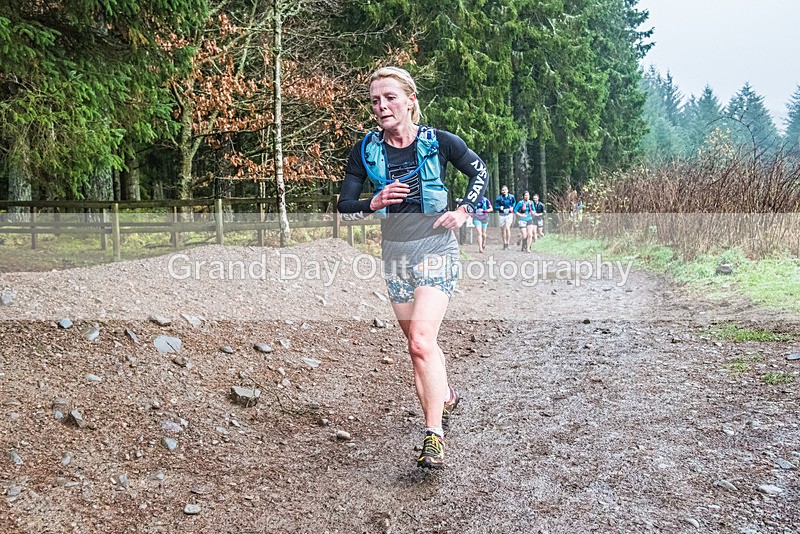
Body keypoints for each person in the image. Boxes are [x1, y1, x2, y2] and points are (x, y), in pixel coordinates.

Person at [337, 66, 489, 469]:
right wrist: (374, 201)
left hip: (437, 246)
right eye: (374, 100)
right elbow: (345, 205)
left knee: (421, 340)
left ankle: (433, 435)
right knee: (420, 346)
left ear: (410, 100)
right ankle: (446, 394)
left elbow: (480, 171)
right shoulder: (365, 150)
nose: (381, 106)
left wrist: (464, 210)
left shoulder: (439, 142)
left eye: (389, 97)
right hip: (395, 255)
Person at [494, 185, 516, 249]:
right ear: (501, 191)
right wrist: (499, 208)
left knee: (507, 228)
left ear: (507, 190)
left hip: (509, 214)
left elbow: (514, 202)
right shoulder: (499, 198)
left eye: (505, 190)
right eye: (503, 190)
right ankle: (504, 243)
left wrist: (512, 207)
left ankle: (508, 243)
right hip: (502, 215)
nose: (504, 191)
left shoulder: (511, 197)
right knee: (503, 230)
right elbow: (495, 207)